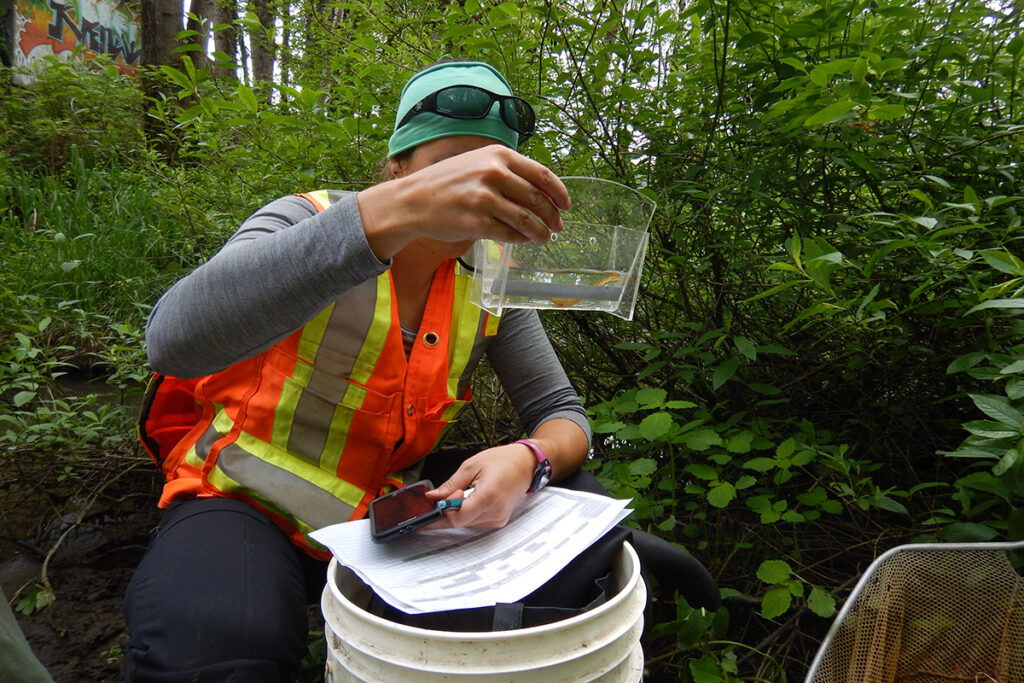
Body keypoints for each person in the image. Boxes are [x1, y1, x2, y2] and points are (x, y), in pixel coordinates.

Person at [123, 60, 593, 682]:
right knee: (222, 646)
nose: (472, 199)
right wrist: (384, 219)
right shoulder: (306, 220)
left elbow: (564, 415)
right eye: (452, 172)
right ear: (398, 167)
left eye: (493, 179)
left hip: (388, 527)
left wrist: (527, 458)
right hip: (237, 505)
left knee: (573, 544)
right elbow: (173, 340)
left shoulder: (491, 277)